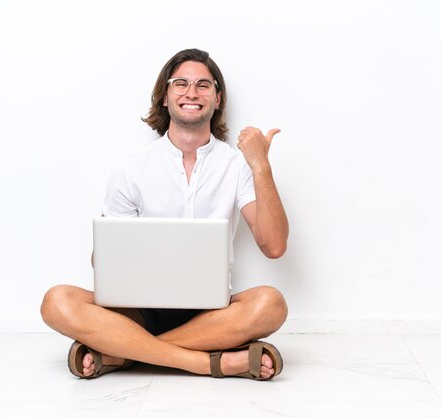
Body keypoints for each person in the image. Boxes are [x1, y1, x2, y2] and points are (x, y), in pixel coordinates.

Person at [40, 48, 289, 381]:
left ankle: (120, 353)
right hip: (136, 310)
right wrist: (113, 252)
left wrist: (260, 165)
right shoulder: (132, 169)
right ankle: (209, 362)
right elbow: (102, 263)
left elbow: (274, 245)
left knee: (271, 304)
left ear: (217, 99)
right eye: (180, 83)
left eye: (204, 85)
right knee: (56, 301)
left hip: (212, 314)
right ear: (164, 97)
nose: (191, 92)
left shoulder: (236, 165)